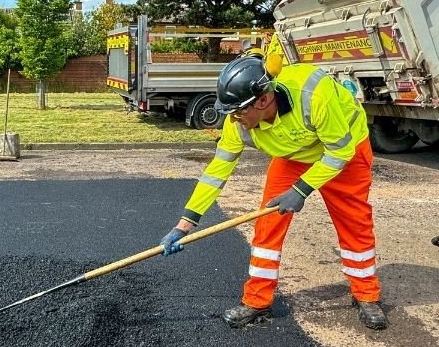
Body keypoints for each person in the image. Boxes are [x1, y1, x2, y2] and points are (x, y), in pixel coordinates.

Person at [159, 52, 388, 330]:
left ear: (264, 100)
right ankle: (257, 301)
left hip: (344, 150)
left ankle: (366, 296)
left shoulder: (314, 95)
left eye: (238, 111)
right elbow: (216, 172)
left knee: (353, 222)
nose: (233, 119)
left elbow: (339, 151)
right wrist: (185, 224)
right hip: (292, 156)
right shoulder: (238, 123)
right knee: (267, 223)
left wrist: (301, 190)